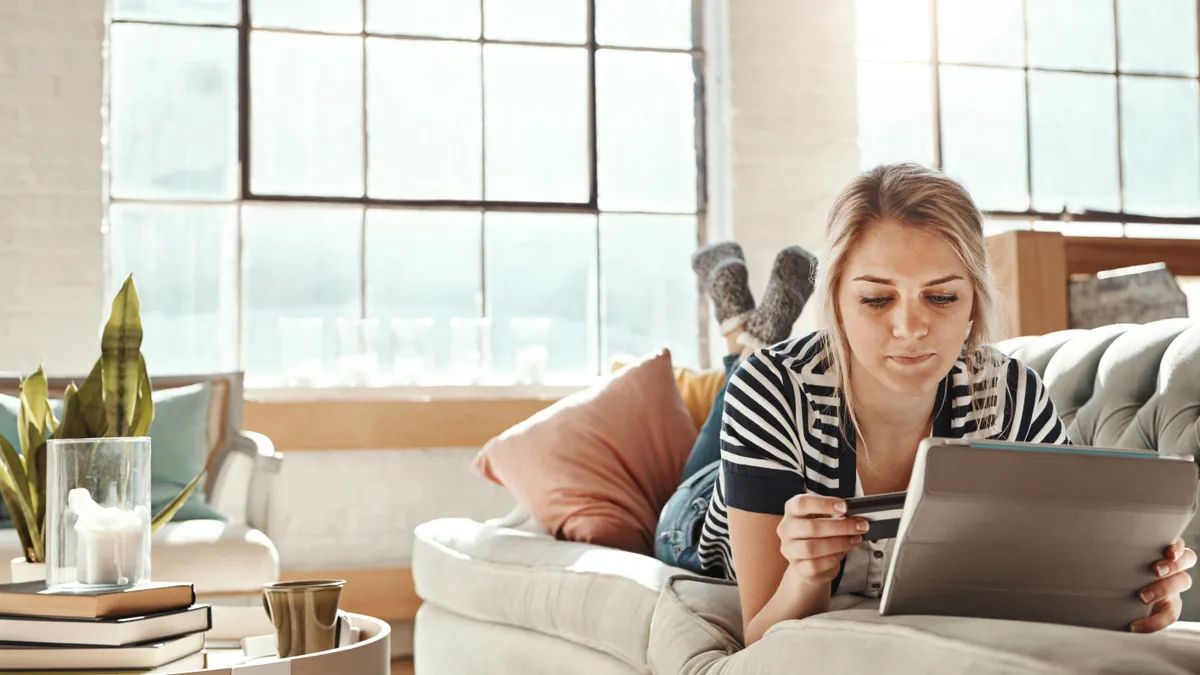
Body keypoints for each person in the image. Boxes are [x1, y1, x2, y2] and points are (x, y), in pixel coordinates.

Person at [655, 162, 1196, 645]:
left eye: (941, 297)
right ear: (838, 303)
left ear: (972, 304)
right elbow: (763, 634)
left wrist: (1139, 597)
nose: (911, 327)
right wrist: (805, 575)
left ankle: (746, 338)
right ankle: (743, 349)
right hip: (700, 517)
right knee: (740, 392)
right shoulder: (771, 389)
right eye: (876, 298)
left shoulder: (1013, 397)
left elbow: (1066, 579)